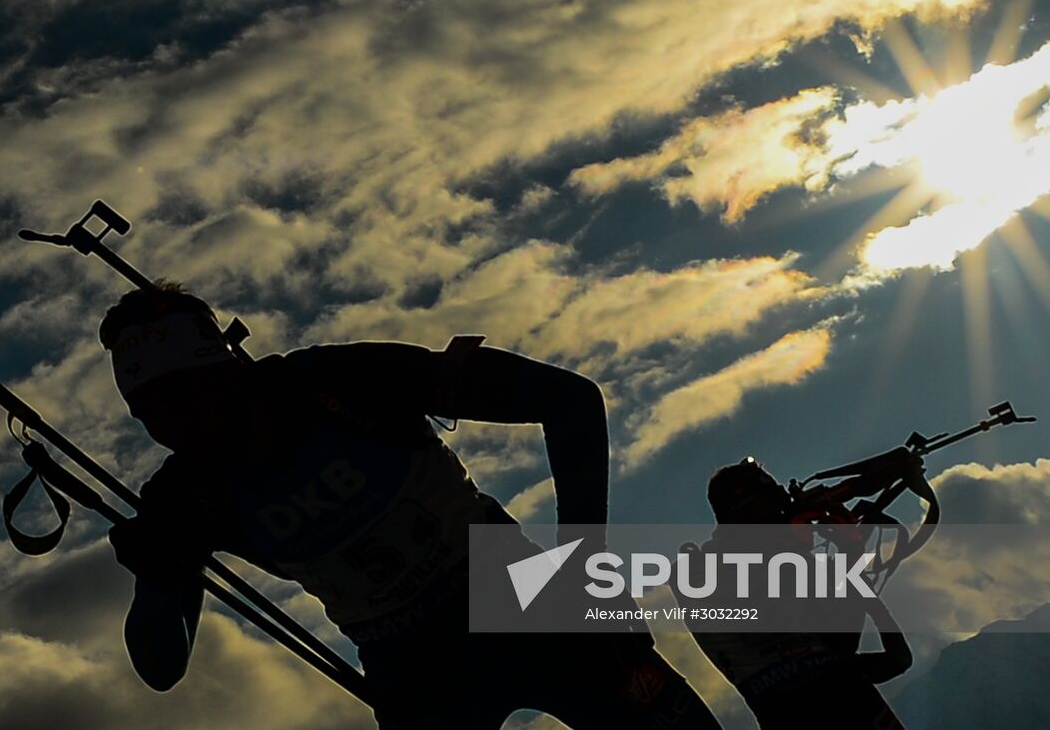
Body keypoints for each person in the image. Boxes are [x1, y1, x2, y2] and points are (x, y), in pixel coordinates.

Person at [101, 281, 721, 728]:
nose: (179, 425)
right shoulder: (184, 497)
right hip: (410, 660)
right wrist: (156, 576)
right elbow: (161, 668)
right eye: (152, 414)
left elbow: (569, 400)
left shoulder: (336, 381)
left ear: (228, 371)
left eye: (189, 397)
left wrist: (584, 558)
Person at [679, 458, 915, 730]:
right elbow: (761, 621)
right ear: (741, 513)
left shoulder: (785, 558)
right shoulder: (695, 570)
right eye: (772, 507)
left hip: (856, 702)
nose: (781, 516)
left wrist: (851, 557)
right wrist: (791, 551)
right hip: (796, 713)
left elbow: (842, 640)